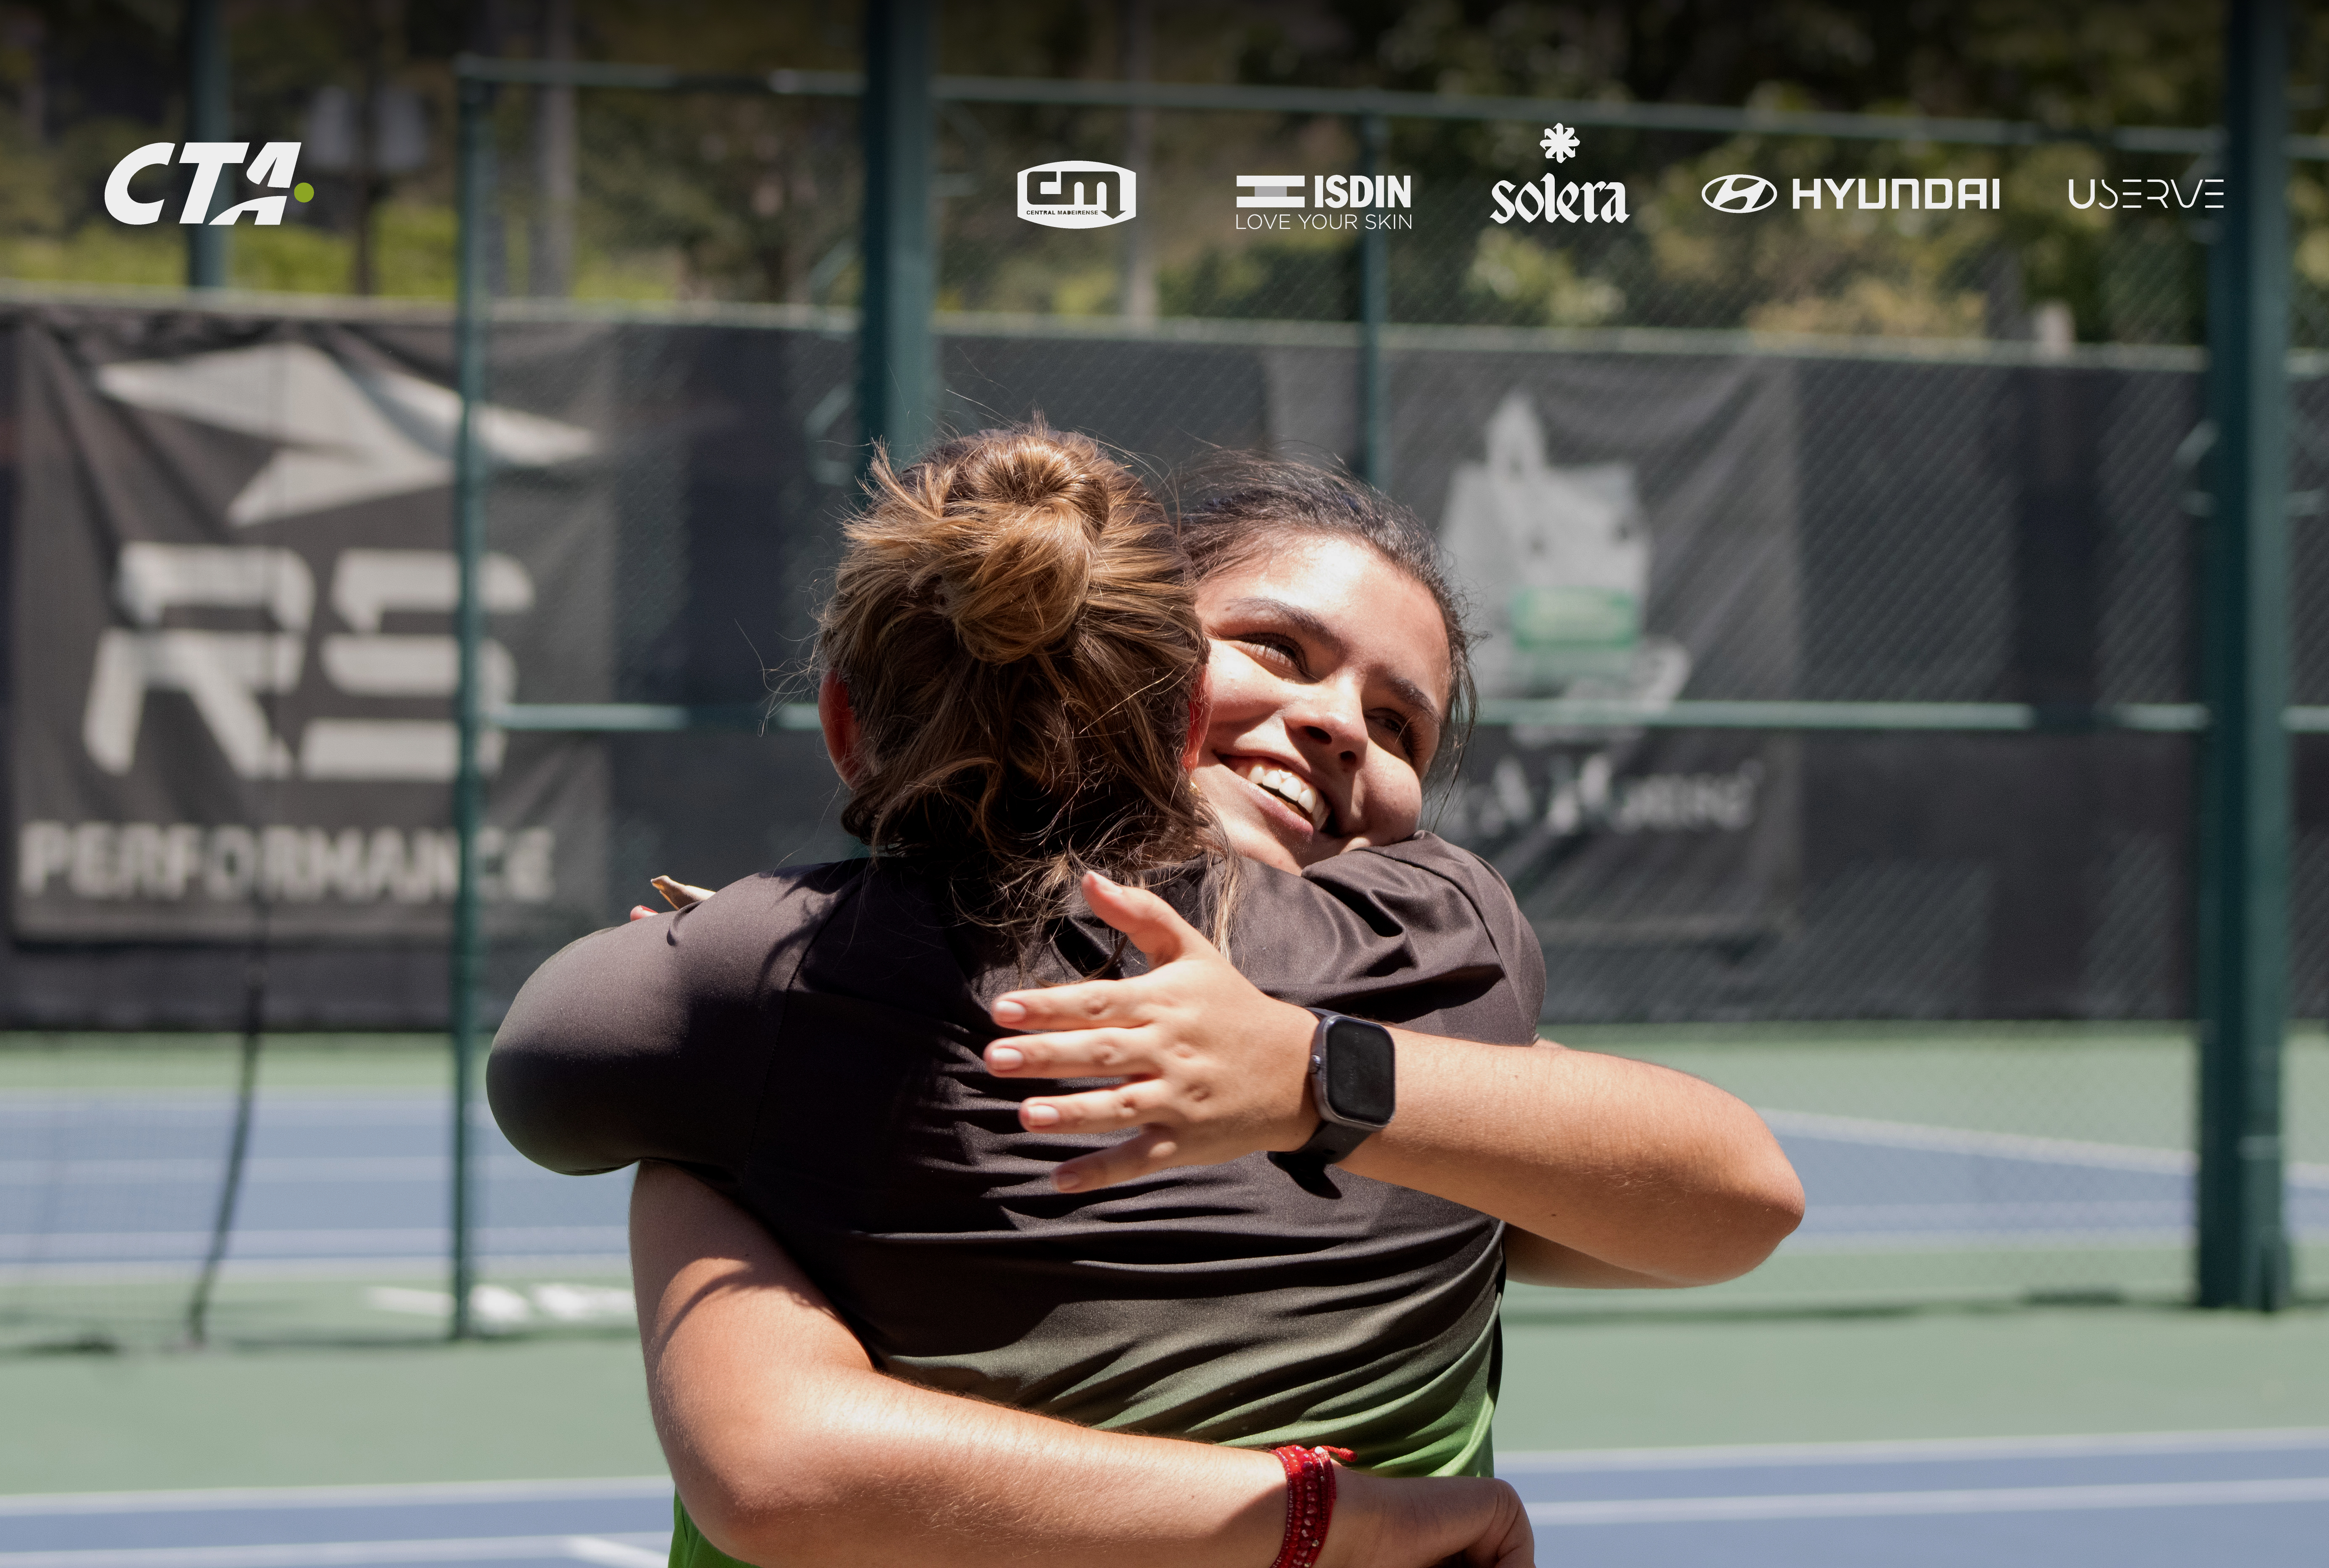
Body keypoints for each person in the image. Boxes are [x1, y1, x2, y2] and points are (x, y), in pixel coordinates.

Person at [491, 432, 1801, 1568]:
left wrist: (702, 1078)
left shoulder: (767, 987)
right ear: (1141, 681)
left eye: (1403, 727)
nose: (1343, 724)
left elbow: (1722, 1195)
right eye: (1278, 650)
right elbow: (1725, 1197)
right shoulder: (1457, 949)